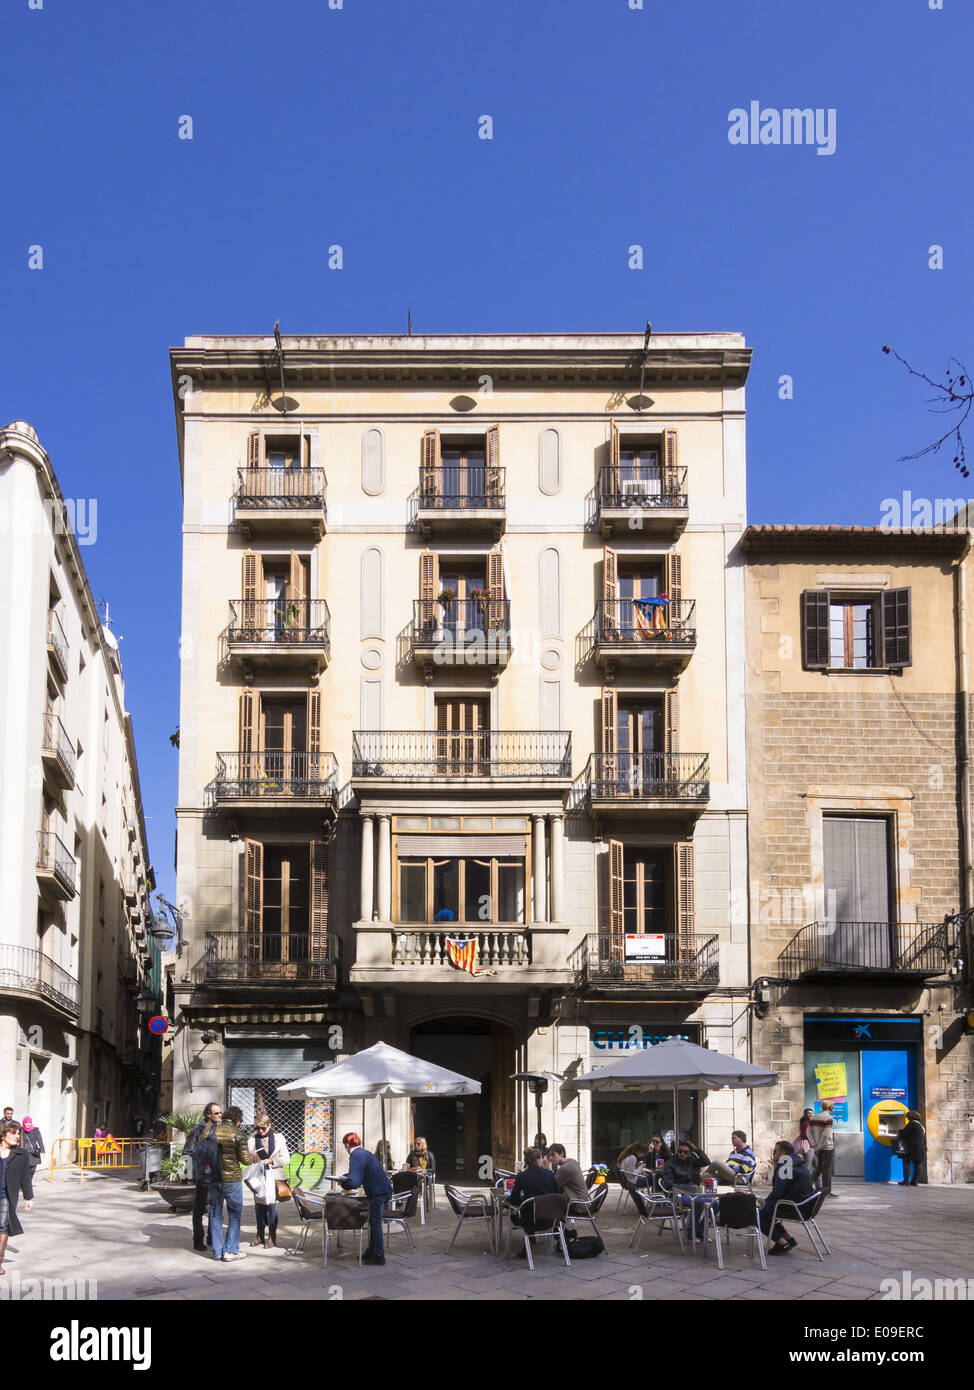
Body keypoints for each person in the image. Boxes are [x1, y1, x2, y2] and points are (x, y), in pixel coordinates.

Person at [338, 1132, 393, 1267]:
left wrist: (343, 1183)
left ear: (346, 1145)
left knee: (374, 1223)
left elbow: (355, 1182)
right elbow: (361, 1173)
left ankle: (379, 1256)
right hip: (384, 1191)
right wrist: (346, 1176)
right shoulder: (365, 1153)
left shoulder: (355, 1156)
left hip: (377, 1193)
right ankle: (371, 1251)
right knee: (373, 1222)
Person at [209, 1105, 252, 1262]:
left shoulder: (210, 1131)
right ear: (238, 1120)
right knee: (234, 1214)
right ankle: (230, 1251)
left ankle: (217, 1251)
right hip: (232, 1179)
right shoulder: (239, 1134)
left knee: (215, 1213)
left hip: (213, 1178)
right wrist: (253, 1156)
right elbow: (245, 1160)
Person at [760, 1140, 814, 1255]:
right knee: (767, 1212)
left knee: (758, 1214)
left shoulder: (786, 1166)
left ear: (783, 1154)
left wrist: (764, 1202)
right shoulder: (798, 1162)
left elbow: (778, 1192)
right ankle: (788, 1239)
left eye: (775, 1151)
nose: (773, 1154)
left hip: (794, 1207)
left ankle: (782, 1243)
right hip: (802, 1204)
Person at [247, 1113, 290, 1248]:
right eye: (258, 1128)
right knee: (259, 1207)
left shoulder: (278, 1139)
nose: (260, 1131)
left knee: (271, 1207)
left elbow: (286, 1159)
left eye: (263, 1128)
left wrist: (272, 1160)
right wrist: (253, 1156)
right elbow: (248, 1159)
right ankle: (260, 1235)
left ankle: (272, 1236)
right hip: (258, 1177)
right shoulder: (253, 1140)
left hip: (273, 1176)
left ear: (270, 1126)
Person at [183, 1103, 220, 1247]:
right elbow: (187, 1153)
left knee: (215, 1208)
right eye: (216, 1113)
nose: (219, 1115)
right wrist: (195, 1173)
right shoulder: (197, 1132)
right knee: (200, 1209)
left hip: (217, 1176)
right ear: (208, 1115)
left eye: (220, 1113)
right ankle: (198, 1240)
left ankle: (212, 1239)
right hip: (203, 1177)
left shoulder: (219, 1131)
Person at [508, 1146, 559, 1250]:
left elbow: (513, 1199)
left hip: (530, 1221)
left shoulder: (521, 1176)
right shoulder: (550, 1174)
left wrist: (523, 1201)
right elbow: (557, 1194)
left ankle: (528, 1243)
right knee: (530, 1207)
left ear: (526, 1161)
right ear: (539, 1159)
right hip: (550, 1219)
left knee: (522, 1210)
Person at [0, 1121, 33, 1276]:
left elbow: (25, 1177)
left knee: (3, 1227)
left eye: (18, 1133)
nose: (17, 1136)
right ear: (3, 1133)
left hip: (7, 1196)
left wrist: (28, 1197)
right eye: (13, 1133)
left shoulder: (21, 1154)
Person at [808, 1101, 837, 1197]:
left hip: (817, 1147)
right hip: (827, 1147)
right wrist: (819, 1147)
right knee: (826, 1169)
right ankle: (826, 1190)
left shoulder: (814, 1117)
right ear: (829, 1107)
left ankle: (807, 1185)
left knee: (819, 1168)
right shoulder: (828, 1118)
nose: (834, 1107)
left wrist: (814, 1145)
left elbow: (809, 1132)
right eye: (833, 1105)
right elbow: (826, 1134)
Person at [898, 1110, 926, 1187]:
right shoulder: (920, 1125)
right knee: (918, 1164)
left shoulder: (911, 1124)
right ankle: (915, 1181)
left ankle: (906, 1181)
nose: (907, 1119)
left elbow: (903, 1134)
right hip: (920, 1147)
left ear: (910, 1118)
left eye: (907, 1117)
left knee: (906, 1163)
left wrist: (900, 1131)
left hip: (910, 1147)